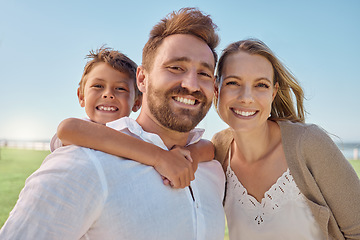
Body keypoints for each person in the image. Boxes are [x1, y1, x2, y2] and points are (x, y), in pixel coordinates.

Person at [0, 8, 225, 240]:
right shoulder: (83, 164)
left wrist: (192, 154)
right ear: (142, 79)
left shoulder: (213, 171)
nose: (191, 84)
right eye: (176, 68)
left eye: (204, 74)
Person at [212, 39, 360, 239]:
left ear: (273, 93)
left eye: (261, 85)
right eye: (233, 82)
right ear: (216, 88)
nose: (246, 97)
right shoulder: (218, 151)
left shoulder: (308, 143)